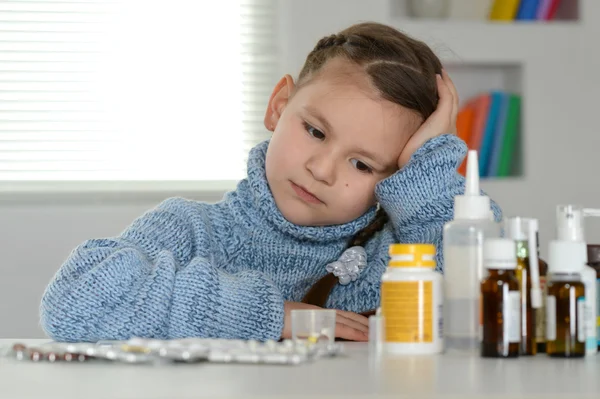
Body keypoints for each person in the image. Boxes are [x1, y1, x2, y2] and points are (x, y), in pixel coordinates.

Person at [40, 22, 501, 343]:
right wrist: (268, 315)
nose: (322, 170)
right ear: (280, 104)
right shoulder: (190, 230)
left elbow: (483, 303)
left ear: (401, 174)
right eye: (315, 132)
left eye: (363, 164)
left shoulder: (396, 257)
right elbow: (74, 304)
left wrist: (429, 167)